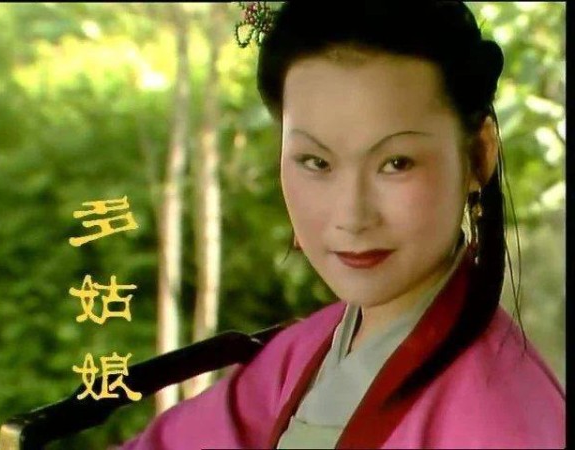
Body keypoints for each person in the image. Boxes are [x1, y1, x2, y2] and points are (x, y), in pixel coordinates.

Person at [118, 2, 565, 448]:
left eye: (396, 163)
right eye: (316, 162)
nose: (351, 215)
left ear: (479, 156)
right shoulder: (304, 352)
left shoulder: (505, 423)